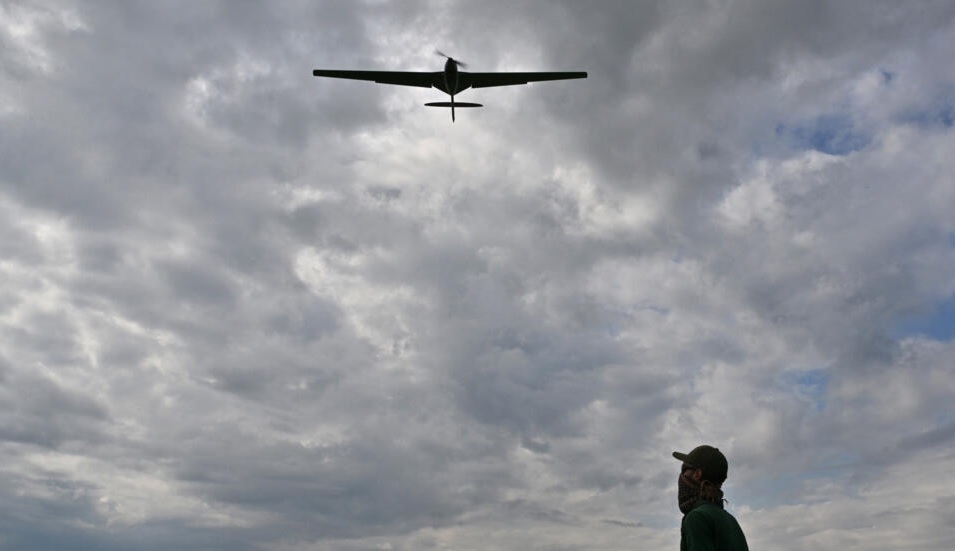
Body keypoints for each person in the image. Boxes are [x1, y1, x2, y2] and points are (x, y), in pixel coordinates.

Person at [673, 445, 748, 551]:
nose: (682, 475)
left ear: (697, 474)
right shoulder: (731, 520)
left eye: (684, 470)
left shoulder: (697, 517)